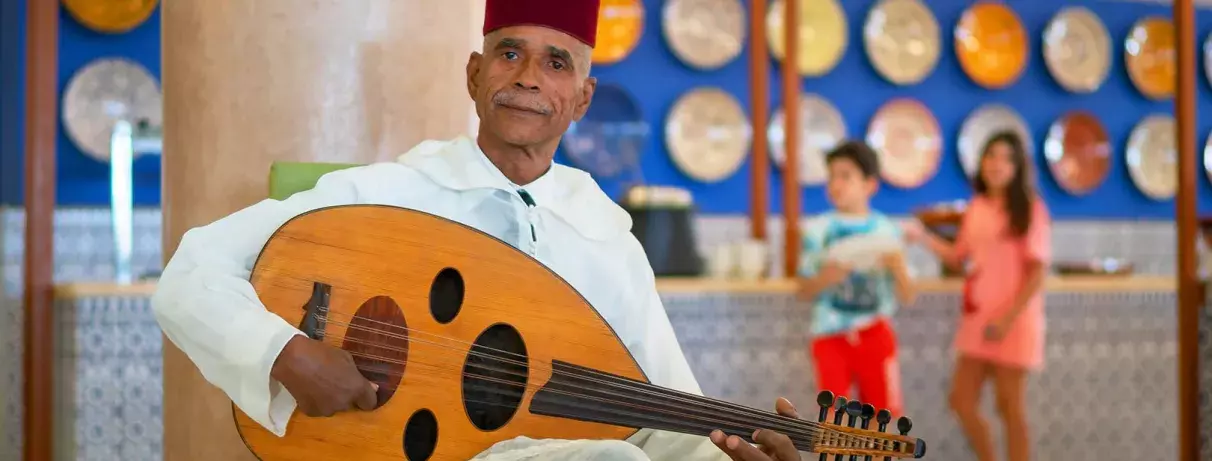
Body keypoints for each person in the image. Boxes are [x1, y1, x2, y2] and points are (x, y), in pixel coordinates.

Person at [149, 0, 803, 459]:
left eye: (556, 63)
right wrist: (286, 354)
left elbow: (662, 415)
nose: (526, 77)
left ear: (582, 98)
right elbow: (191, 271)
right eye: (508, 52)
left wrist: (735, 454)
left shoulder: (604, 237)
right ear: (473, 73)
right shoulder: (389, 195)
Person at [905, 131, 1051, 461]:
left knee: (1009, 405)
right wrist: (924, 238)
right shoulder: (977, 207)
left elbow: (1037, 273)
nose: (996, 164)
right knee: (961, 400)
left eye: (1005, 158)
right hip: (977, 320)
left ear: (1018, 167)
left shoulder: (1030, 209)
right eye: (991, 156)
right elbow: (959, 258)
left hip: (1013, 321)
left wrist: (1006, 318)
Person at [794, 141, 915, 418]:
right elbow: (803, 289)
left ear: (869, 184)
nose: (836, 183)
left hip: (877, 334)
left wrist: (898, 268)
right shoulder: (817, 230)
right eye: (832, 176)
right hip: (829, 336)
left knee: (882, 419)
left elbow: (908, 295)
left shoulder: (888, 231)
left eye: (845, 175)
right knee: (834, 420)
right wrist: (827, 277)